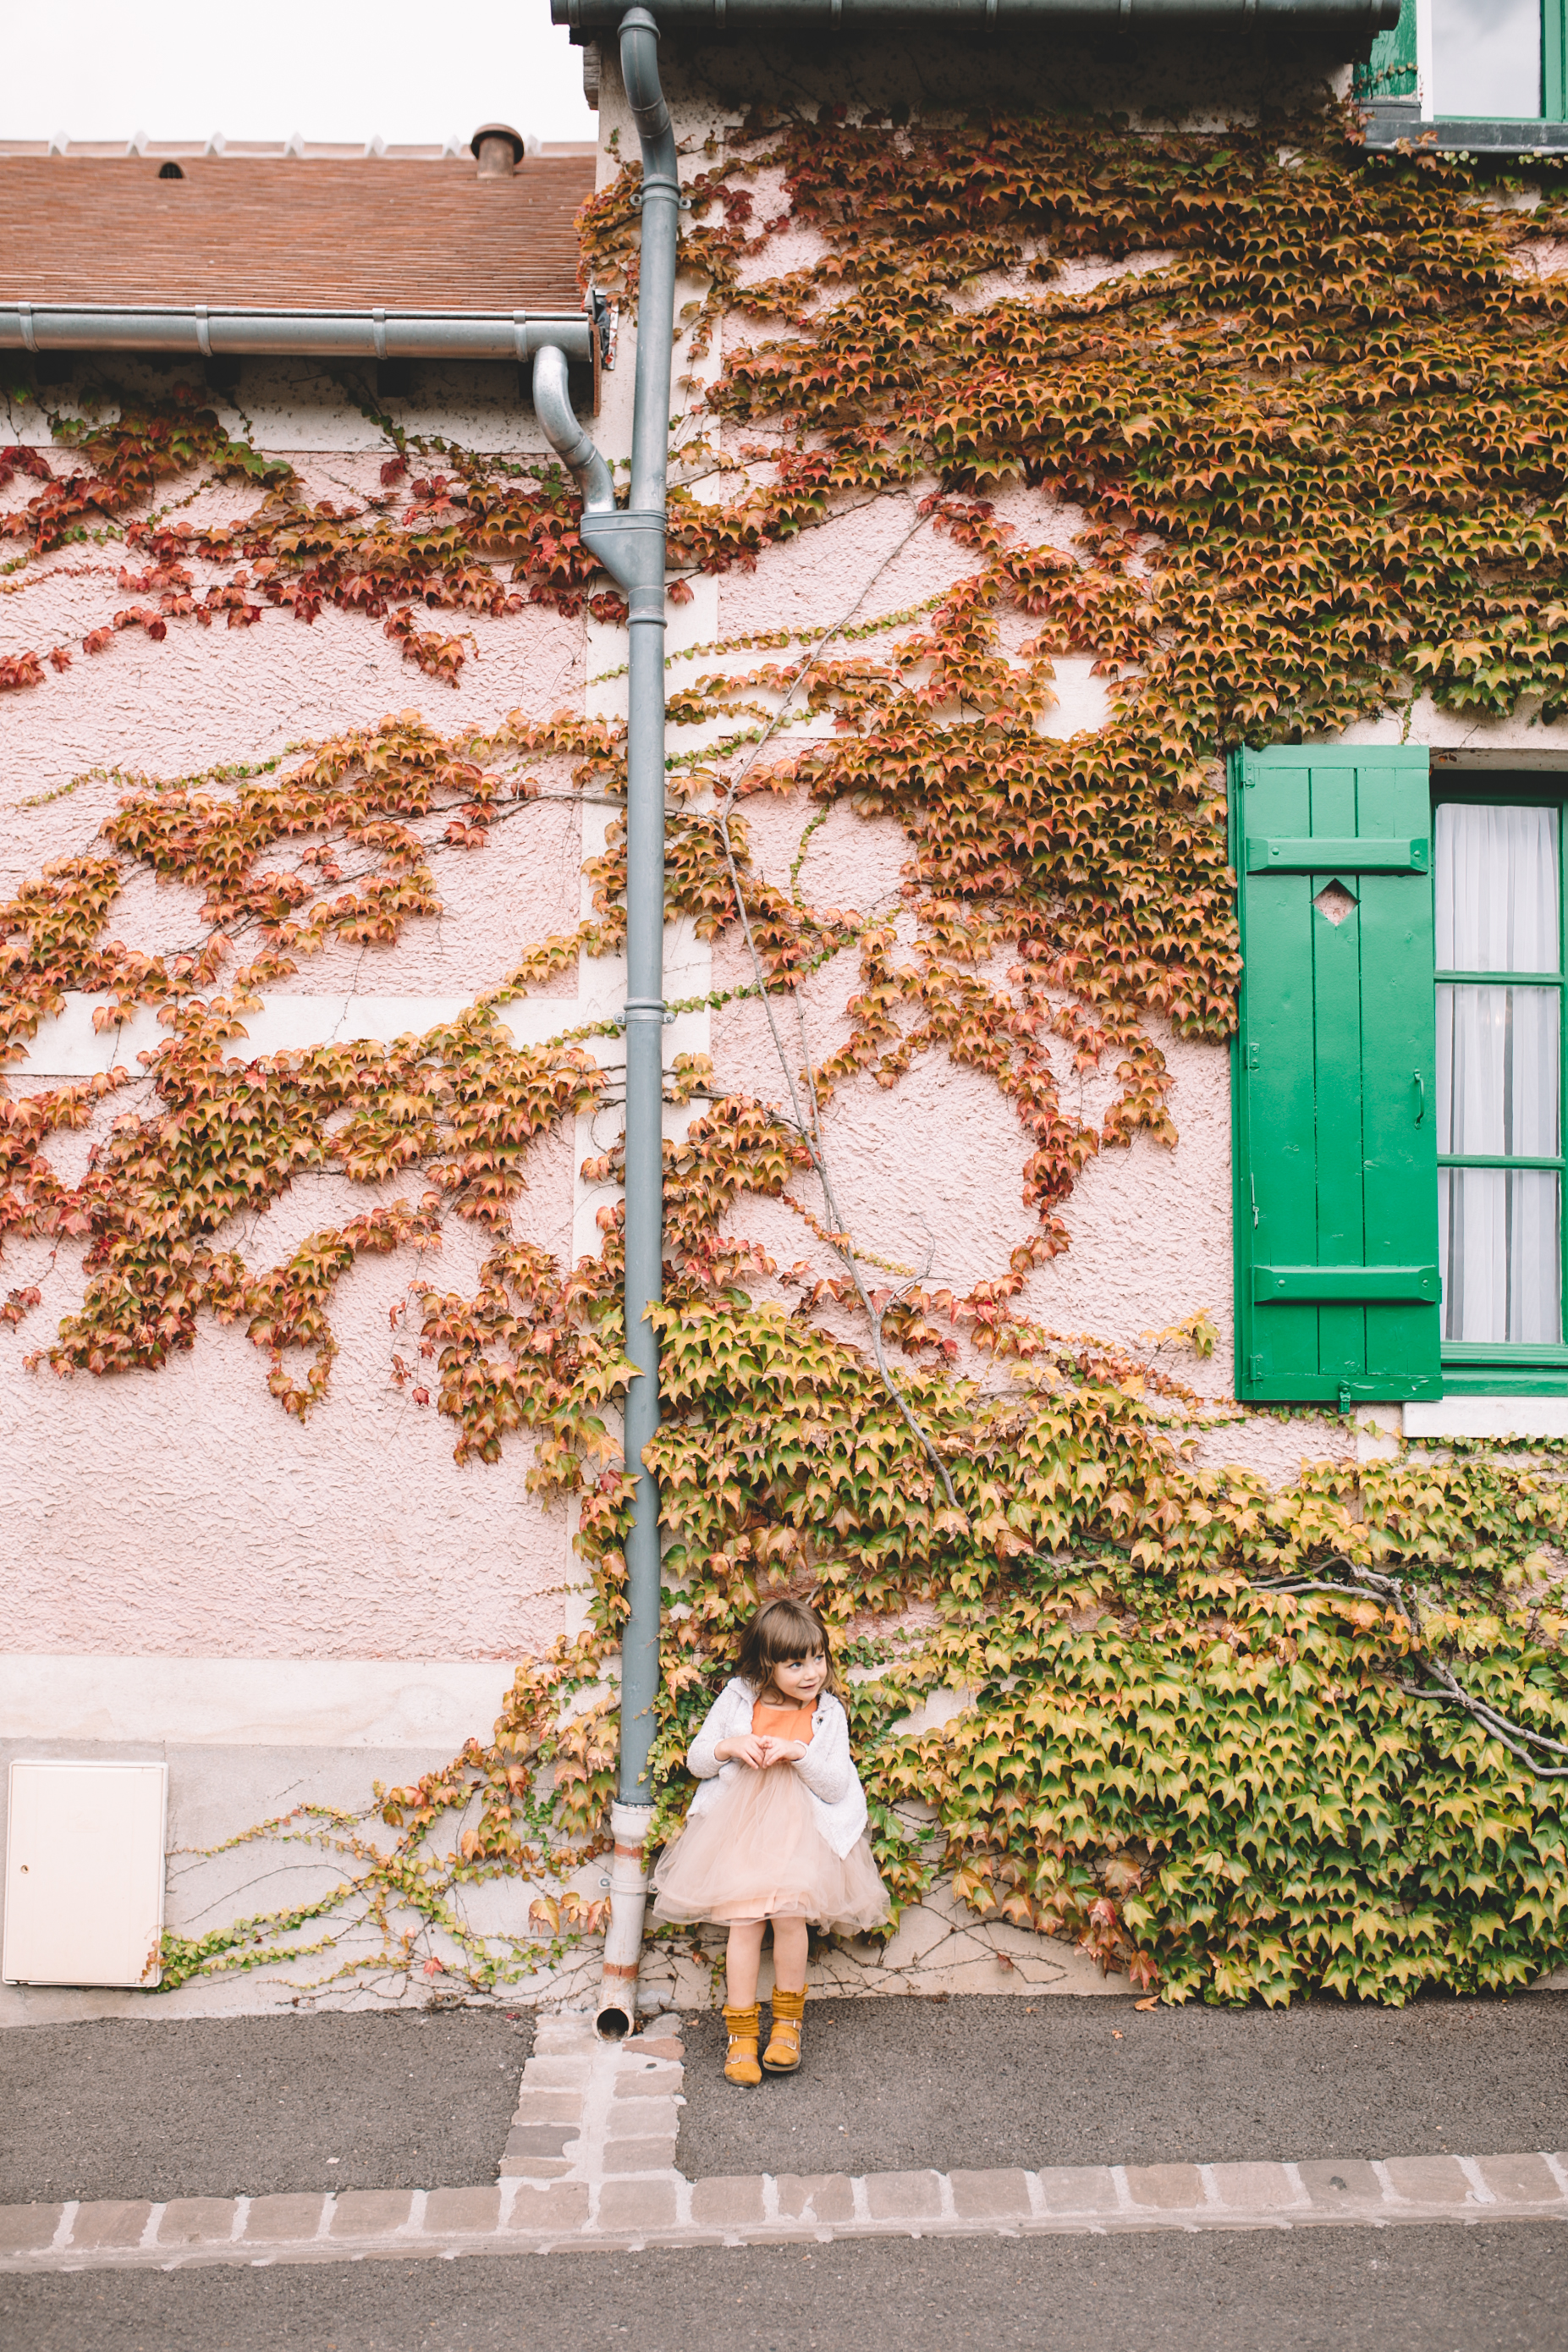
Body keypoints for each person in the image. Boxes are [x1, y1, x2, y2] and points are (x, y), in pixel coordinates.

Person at [651, 1596, 889, 2084]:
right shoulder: (739, 1699)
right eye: (795, 1663)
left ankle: (787, 2027)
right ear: (766, 1665)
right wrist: (730, 1746)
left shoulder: (829, 1713)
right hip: (742, 1829)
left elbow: (835, 1784)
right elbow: (699, 1759)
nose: (811, 1673)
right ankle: (741, 2035)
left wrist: (797, 1753)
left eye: (818, 1658)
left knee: (789, 1921)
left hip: (801, 1835)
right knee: (744, 1923)